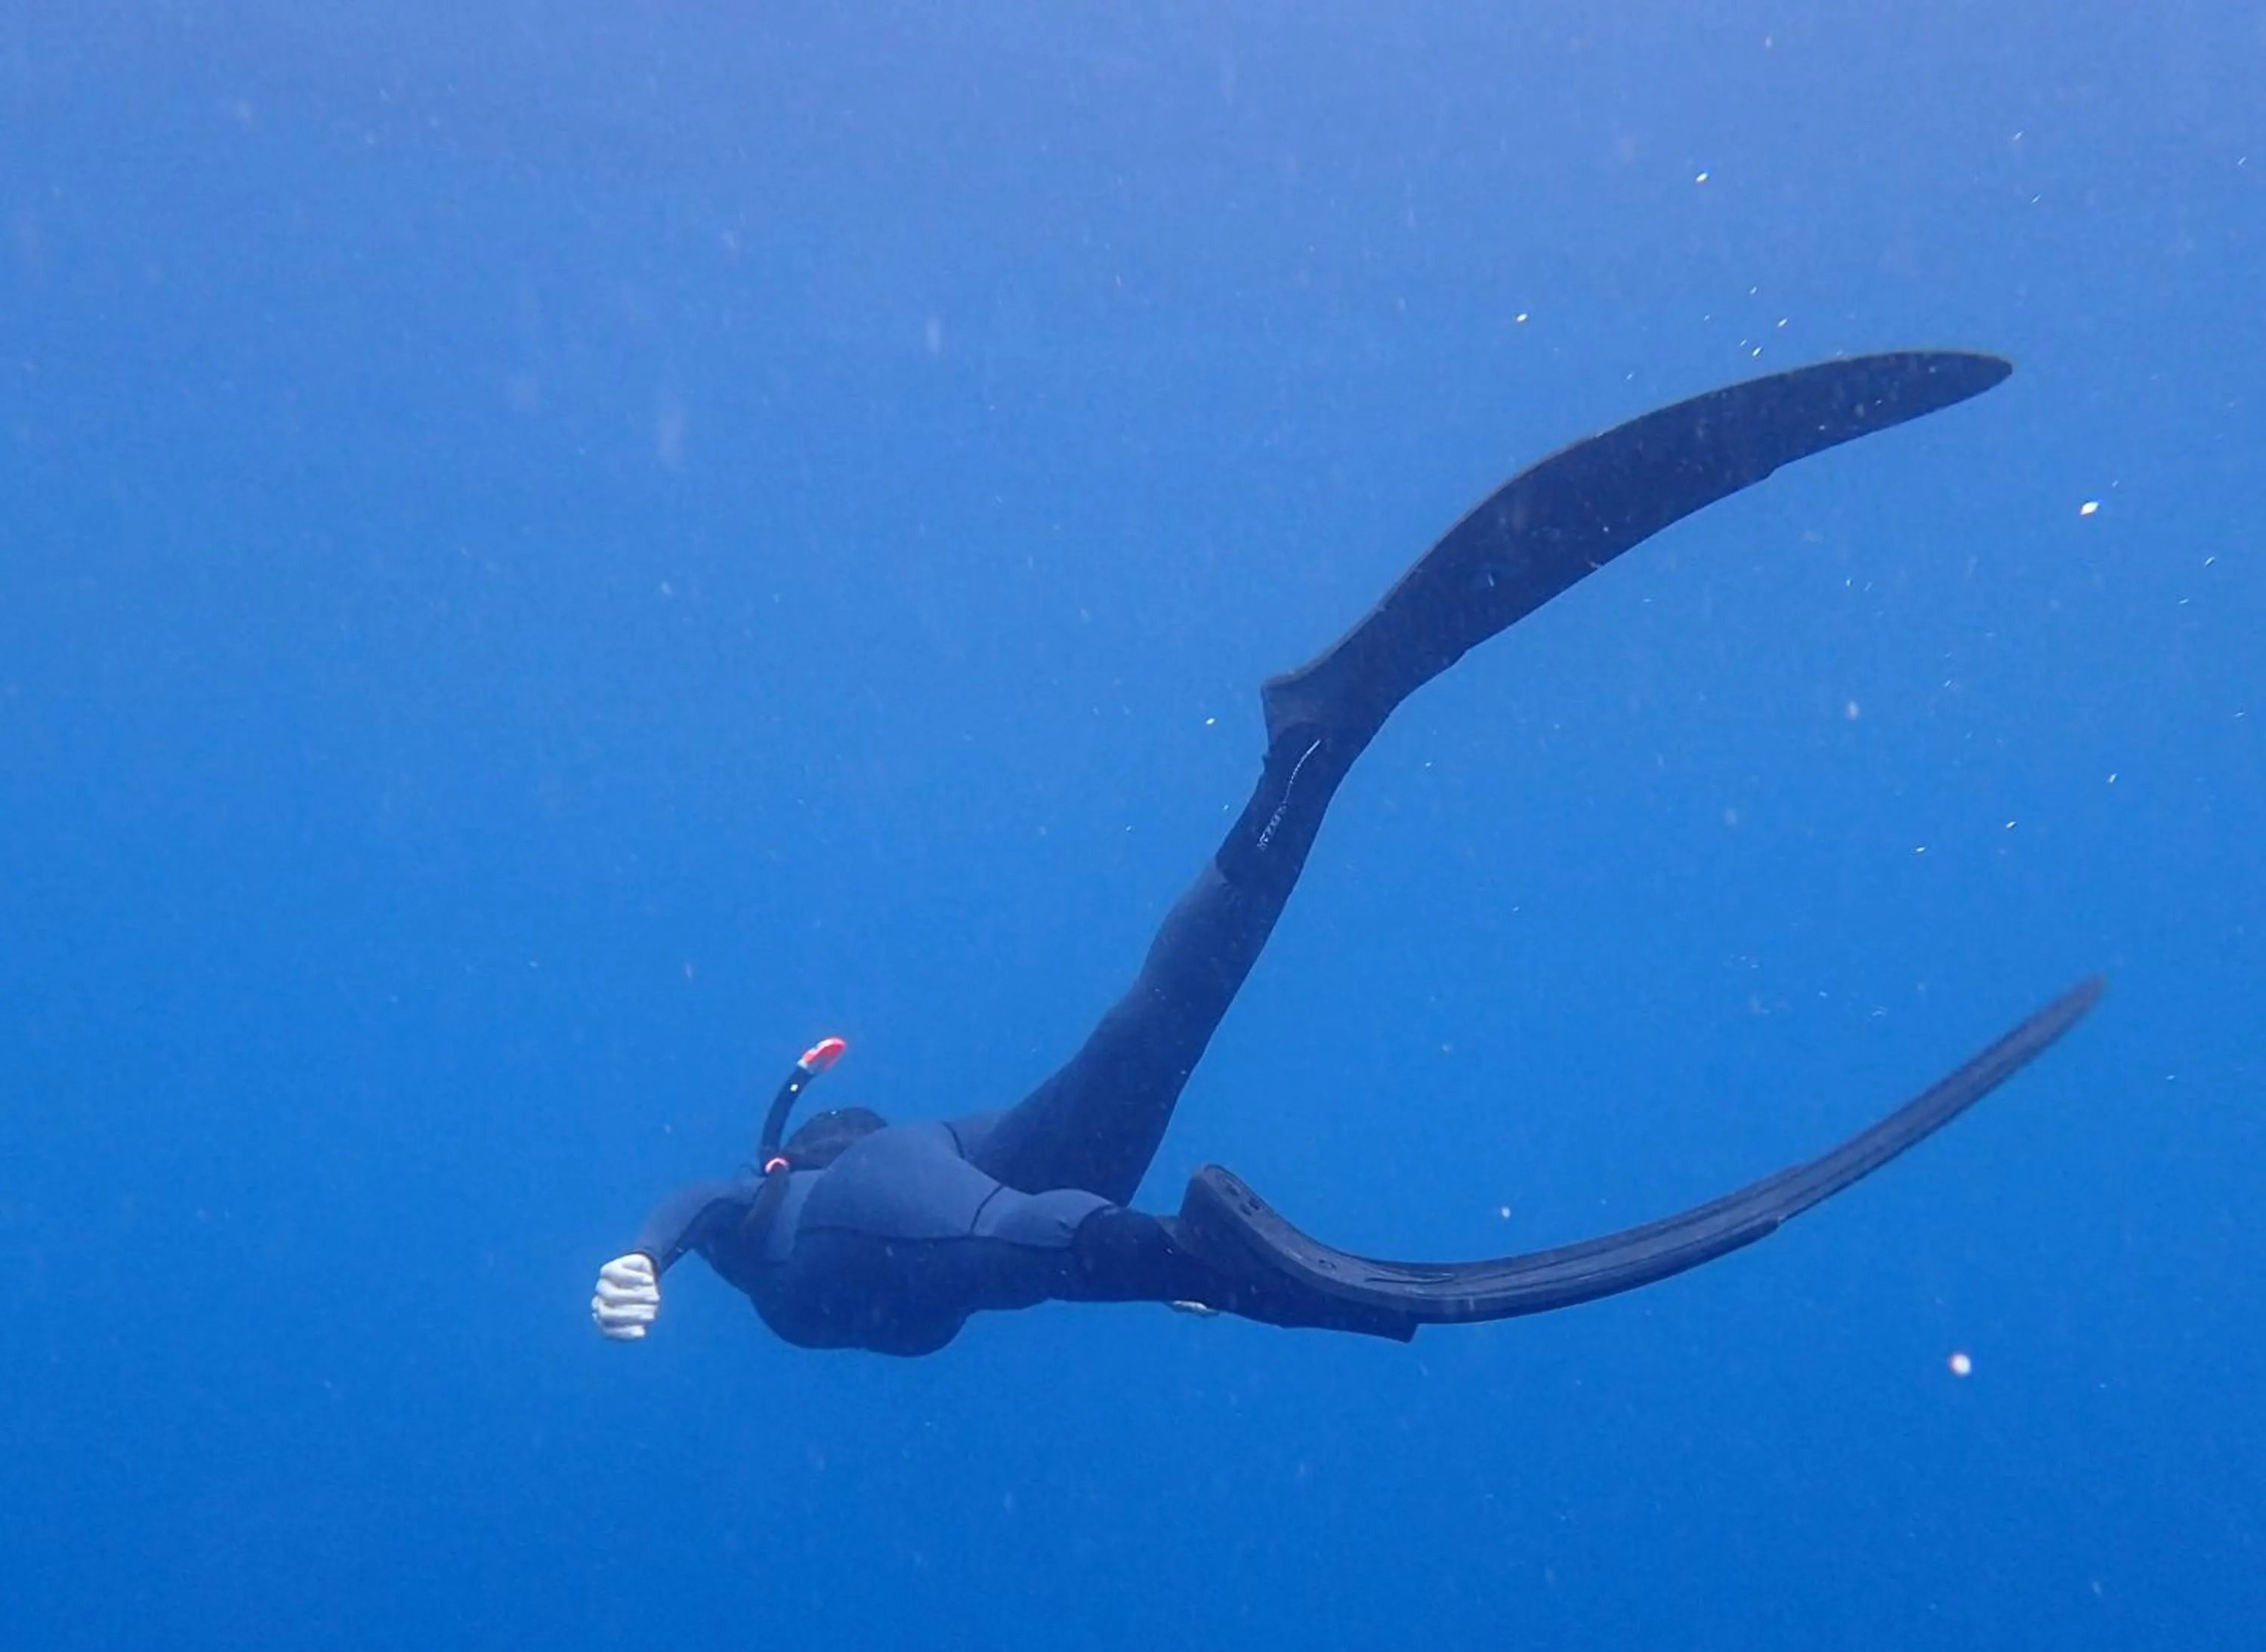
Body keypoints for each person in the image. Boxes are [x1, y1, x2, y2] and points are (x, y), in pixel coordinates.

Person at [592, 350, 2098, 1358]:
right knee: (1158, 1026)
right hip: (1007, 1171)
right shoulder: (910, 1153)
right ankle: (1308, 753)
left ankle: (1207, 1265)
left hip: (940, 1213)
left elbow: (708, 1209)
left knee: (1023, 1240)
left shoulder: (789, 1210)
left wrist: (643, 1261)